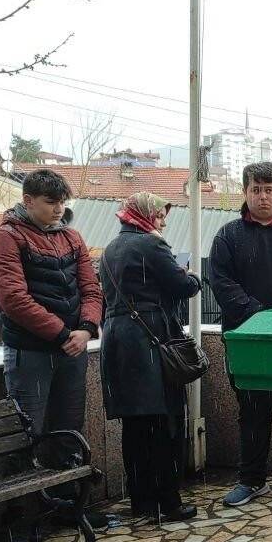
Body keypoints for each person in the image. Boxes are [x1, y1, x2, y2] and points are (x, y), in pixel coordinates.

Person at [0, 169, 107, 541]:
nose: (58, 209)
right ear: (28, 201)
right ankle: (15, 521)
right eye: (50, 202)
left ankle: (67, 508)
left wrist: (86, 329)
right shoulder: (5, 238)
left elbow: (91, 288)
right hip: (30, 352)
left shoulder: (71, 237)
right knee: (24, 434)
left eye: (62, 202)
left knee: (68, 431)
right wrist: (62, 333)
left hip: (71, 349)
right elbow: (14, 300)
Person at [208, 162, 272, 508]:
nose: (263, 196)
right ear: (245, 192)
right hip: (246, 339)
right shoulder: (228, 235)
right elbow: (220, 281)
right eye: (256, 190)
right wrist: (258, 314)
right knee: (251, 412)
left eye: (269, 189)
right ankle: (251, 480)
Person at [99, 193, 202, 522]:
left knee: (135, 428)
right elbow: (182, 286)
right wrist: (193, 277)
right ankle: (169, 502)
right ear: (144, 215)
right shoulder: (151, 245)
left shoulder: (111, 248)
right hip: (150, 342)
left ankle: (141, 503)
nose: (163, 221)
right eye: (159, 214)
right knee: (164, 423)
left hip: (119, 343)